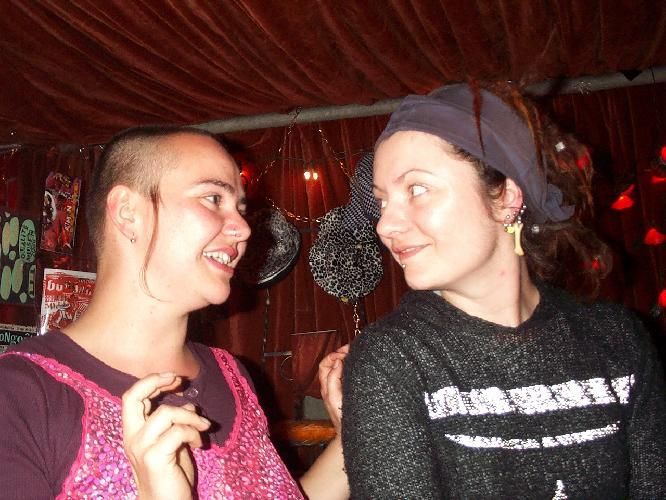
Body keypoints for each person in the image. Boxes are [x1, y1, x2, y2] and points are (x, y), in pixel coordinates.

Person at [341, 82, 666, 498]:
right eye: (383, 202)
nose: (386, 225)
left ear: (507, 197)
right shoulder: (394, 359)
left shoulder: (617, 339)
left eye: (417, 189)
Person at [0, 126, 348, 499]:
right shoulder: (20, 392)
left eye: (240, 209)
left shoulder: (232, 376)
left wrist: (353, 437)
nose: (244, 229)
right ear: (128, 212)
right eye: (213, 198)